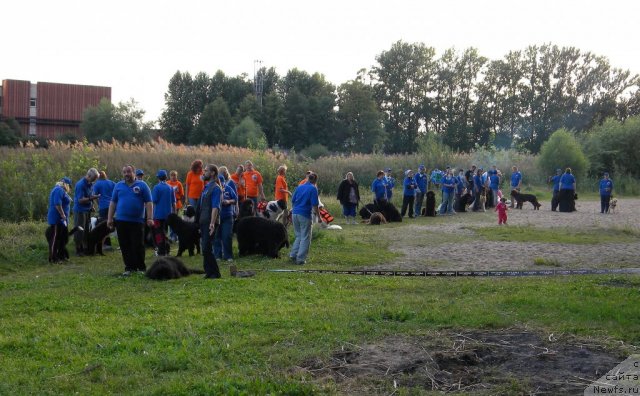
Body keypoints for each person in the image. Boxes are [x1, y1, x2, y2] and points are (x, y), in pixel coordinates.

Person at [107, 165, 154, 276]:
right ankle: (129, 268)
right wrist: (109, 218)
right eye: (124, 172)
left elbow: (149, 202)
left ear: (134, 172)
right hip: (121, 221)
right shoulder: (118, 186)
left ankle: (141, 268)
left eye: (128, 172)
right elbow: (113, 203)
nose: (126, 174)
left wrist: (150, 218)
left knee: (138, 245)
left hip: (137, 221)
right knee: (124, 245)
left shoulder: (142, 185)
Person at [197, 164, 222, 279]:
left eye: (206, 171)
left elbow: (215, 207)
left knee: (207, 247)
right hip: (203, 220)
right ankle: (208, 271)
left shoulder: (216, 188)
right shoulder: (206, 187)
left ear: (212, 173)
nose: (204, 172)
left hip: (209, 222)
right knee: (205, 247)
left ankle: (215, 273)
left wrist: (212, 223)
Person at [290, 172, 322, 265]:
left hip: (295, 213)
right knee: (305, 237)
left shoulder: (299, 187)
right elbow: (315, 204)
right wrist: (319, 217)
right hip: (304, 214)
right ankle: (300, 259)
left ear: (308, 179)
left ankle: (293, 254)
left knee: (299, 235)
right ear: (315, 180)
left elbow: (292, 200)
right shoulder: (313, 188)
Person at [73, 168, 99, 256]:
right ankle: (78, 250)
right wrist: (92, 198)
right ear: (88, 176)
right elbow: (80, 200)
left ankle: (85, 248)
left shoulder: (90, 184)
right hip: (80, 210)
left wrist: (92, 206)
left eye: (95, 179)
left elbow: (90, 195)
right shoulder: (80, 184)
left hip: (87, 210)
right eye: (94, 179)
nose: (94, 181)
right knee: (80, 230)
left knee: (87, 230)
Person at [214, 167, 238, 262]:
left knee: (227, 235)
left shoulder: (228, 188)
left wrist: (228, 201)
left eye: (223, 183)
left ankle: (228, 255)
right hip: (216, 216)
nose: (222, 185)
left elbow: (235, 199)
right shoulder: (214, 189)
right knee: (217, 236)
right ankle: (217, 255)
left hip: (228, 216)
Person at [47, 177, 73, 261]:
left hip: (62, 220)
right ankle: (53, 258)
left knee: (62, 238)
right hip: (57, 218)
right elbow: (57, 204)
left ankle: (61, 256)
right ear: (66, 185)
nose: (70, 189)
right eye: (70, 186)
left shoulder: (61, 190)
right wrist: (62, 215)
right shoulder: (59, 190)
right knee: (55, 238)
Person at [152, 169, 176, 256]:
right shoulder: (170, 187)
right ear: (166, 177)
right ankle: (167, 250)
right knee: (165, 232)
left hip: (158, 215)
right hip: (168, 215)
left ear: (158, 178)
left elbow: (153, 201)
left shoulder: (156, 187)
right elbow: (174, 203)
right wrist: (174, 213)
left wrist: (151, 215)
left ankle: (161, 252)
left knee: (158, 233)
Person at [92, 171, 116, 247]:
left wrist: (99, 204)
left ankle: (106, 244)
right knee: (109, 223)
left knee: (103, 225)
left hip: (103, 206)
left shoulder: (97, 184)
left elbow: (94, 196)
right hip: (112, 206)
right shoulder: (111, 183)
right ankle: (108, 243)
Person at [166, 170, 185, 241]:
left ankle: (175, 236)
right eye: (172, 175)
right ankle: (171, 235)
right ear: (170, 176)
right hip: (169, 204)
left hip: (177, 203)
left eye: (175, 175)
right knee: (171, 220)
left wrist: (182, 203)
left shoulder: (179, 183)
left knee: (176, 220)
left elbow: (182, 194)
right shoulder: (167, 183)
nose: (173, 177)